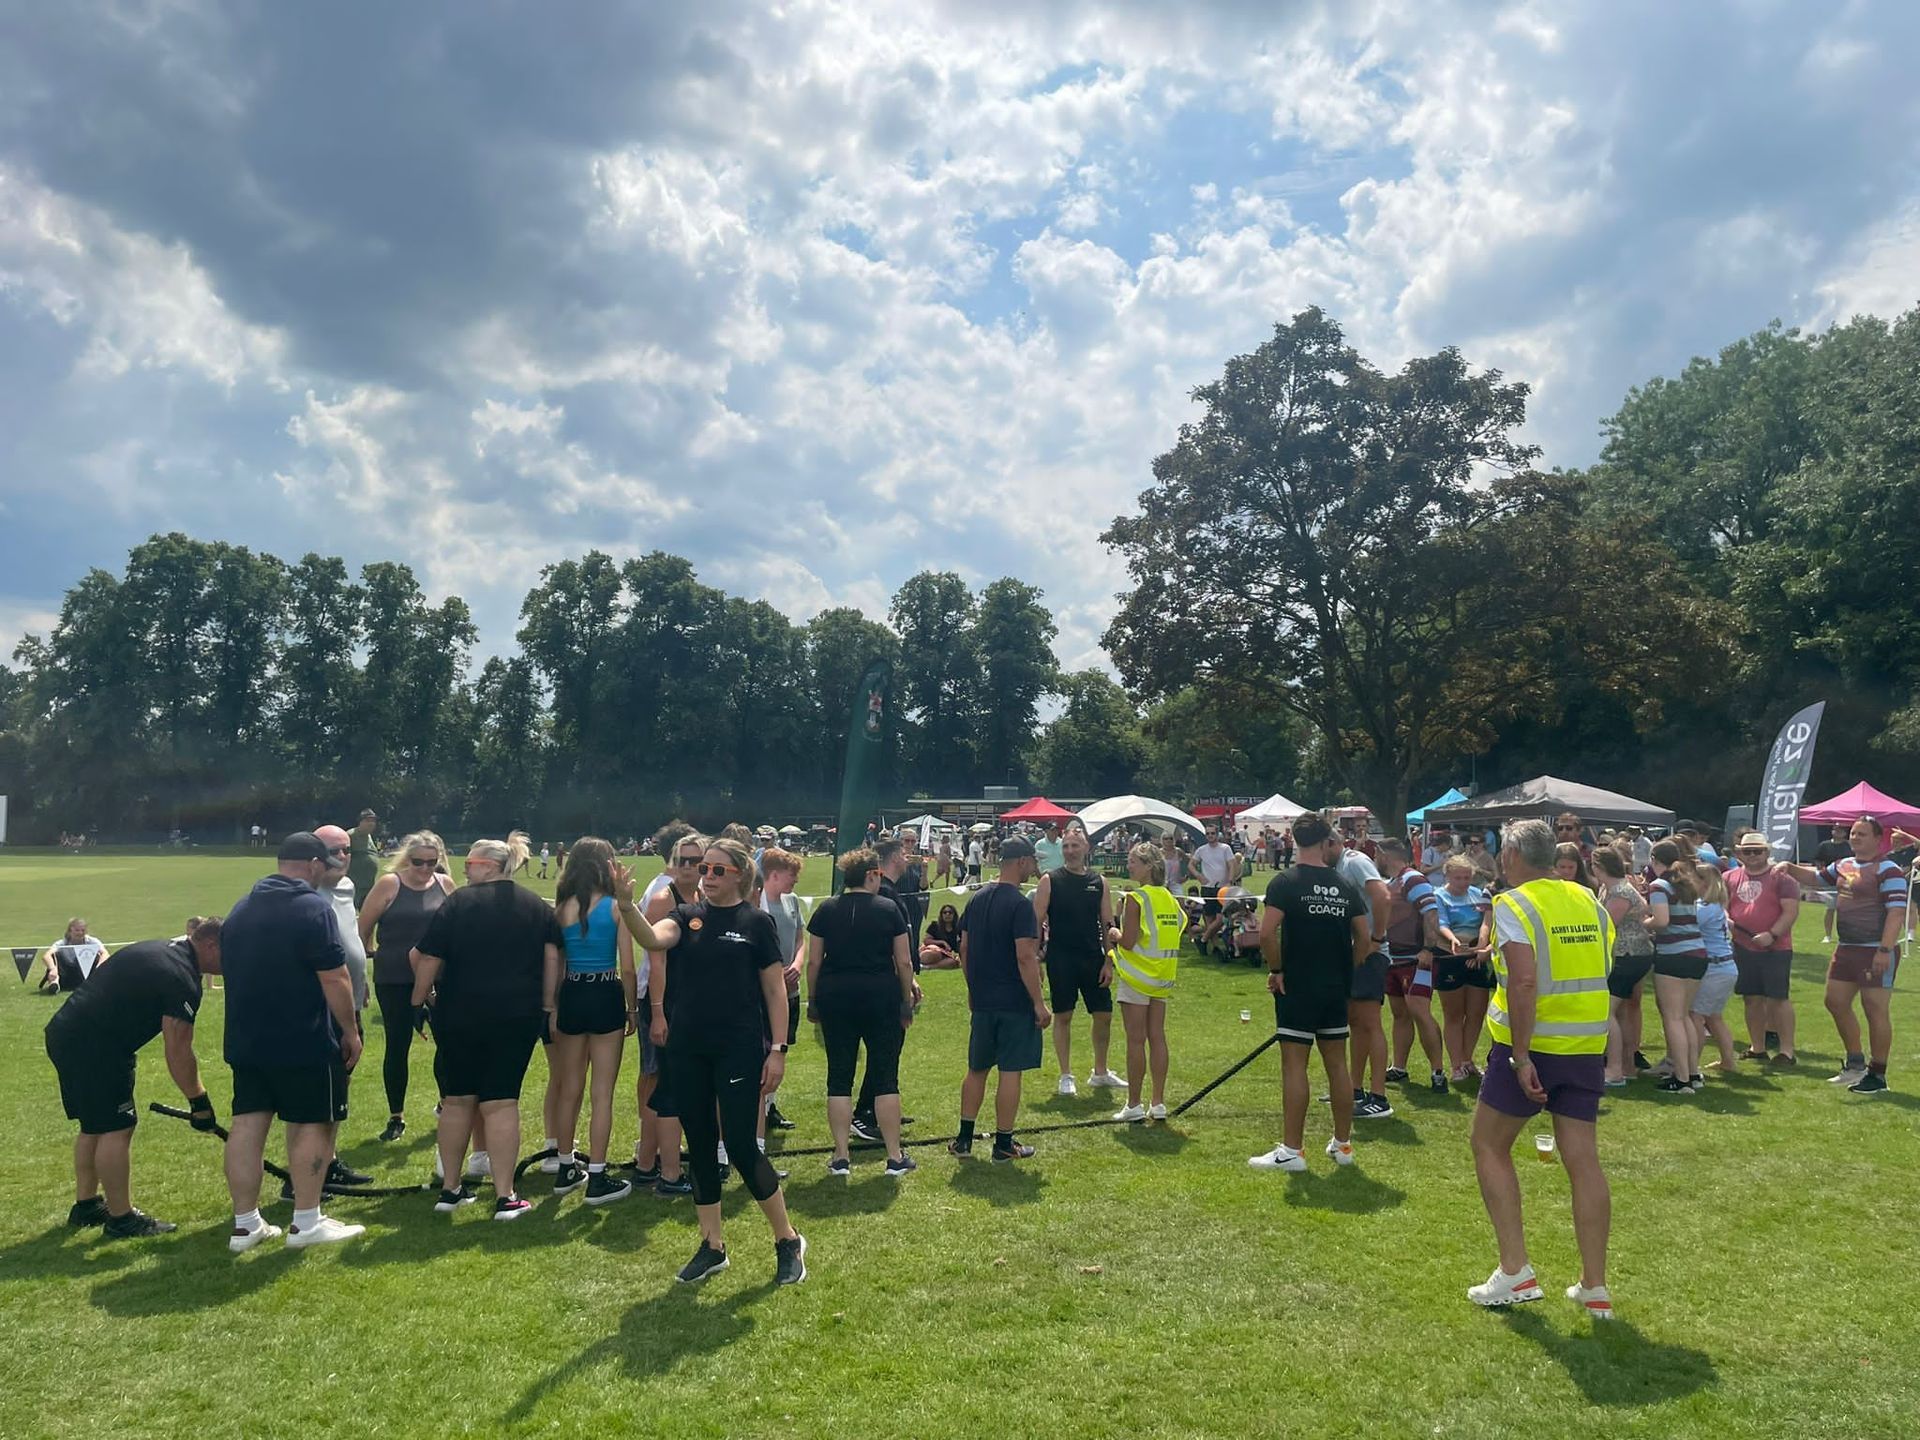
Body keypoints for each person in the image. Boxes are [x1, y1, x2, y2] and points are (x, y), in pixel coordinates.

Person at [630, 837, 808, 1286]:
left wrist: (778, 1050)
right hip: (689, 1050)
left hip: (739, 1049)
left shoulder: (756, 923)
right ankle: (712, 1246)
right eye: (702, 869)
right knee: (702, 1148)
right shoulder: (685, 917)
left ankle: (787, 1239)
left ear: (740, 876)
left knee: (744, 1150)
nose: (706, 877)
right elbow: (652, 937)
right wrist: (623, 903)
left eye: (716, 870)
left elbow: (774, 991)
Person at [1466, 819, 1615, 1318]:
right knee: (1583, 1160)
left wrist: (1523, 1055)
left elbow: (1524, 982)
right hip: (1586, 1044)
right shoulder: (1589, 901)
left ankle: (1515, 1270)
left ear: (1510, 856)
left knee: (1488, 1144)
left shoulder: (1513, 903)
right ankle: (1594, 1287)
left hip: (1532, 1046)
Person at [222, 833, 366, 1253]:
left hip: (248, 1038)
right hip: (303, 1037)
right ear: (314, 864)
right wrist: (350, 1031)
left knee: (247, 1124)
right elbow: (335, 977)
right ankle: (306, 1221)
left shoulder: (241, 909)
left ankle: (245, 1224)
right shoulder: (312, 907)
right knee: (312, 1123)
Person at [409, 832, 561, 1221]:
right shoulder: (535, 907)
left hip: (459, 1012)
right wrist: (547, 1005)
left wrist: (418, 1001)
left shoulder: (458, 902)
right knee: (501, 1102)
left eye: (471, 863)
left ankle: (451, 1189)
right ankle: (505, 1195)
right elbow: (551, 959)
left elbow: (427, 956)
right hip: (516, 1014)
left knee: (457, 1101)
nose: (464, 868)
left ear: (490, 866)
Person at [45, 917, 224, 1238]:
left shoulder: (164, 949)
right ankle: (121, 1218)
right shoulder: (182, 977)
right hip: (96, 1046)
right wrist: (200, 1101)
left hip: (66, 1032)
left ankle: (86, 1205)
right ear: (211, 945)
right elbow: (179, 1051)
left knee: (94, 1125)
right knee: (117, 1126)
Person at [1250, 814, 1368, 1171]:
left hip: (1298, 985)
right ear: (1325, 841)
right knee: (1338, 1066)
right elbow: (1364, 937)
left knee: (1295, 1065)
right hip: (1336, 987)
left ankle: (1291, 1151)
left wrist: (1276, 969)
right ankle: (1343, 1146)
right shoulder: (1345, 885)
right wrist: (1350, 970)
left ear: (1296, 840)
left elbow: (1267, 933)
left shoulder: (1285, 882)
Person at [806, 848, 917, 1177]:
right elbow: (904, 961)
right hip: (879, 996)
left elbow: (814, 961)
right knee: (886, 1078)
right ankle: (895, 1157)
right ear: (872, 874)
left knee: (838, 1078)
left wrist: (813, 1000)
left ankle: (841, 1157)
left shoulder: (826, 909)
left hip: (835, 996)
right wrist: (906, 1000)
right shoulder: (888, 908)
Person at [1781, 816, 1906, 1093]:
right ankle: (1855, 1064)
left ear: (1877, 838)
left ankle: (1878, 1074)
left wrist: (1884, 949)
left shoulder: (1889, 870)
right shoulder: (1844, 865)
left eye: (1862, 834)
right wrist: (1787, 867)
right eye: (1853, 833)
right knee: (1835, 1002)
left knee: (1875, 1010)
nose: (1855, 838)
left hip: (1875, 949)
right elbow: (1814, 879)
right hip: (1846, 947)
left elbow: (1897, 913)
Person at [546, 838, 636, 1206]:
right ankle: (597, 1175)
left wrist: (551, 1006)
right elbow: (628, 966)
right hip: (605, 991)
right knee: (602, 1092)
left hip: (571, 993)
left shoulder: (560, 908)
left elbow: (556, 963)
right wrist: (632, 1008)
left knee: (570, 1087)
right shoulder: (616, 908)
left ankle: (566, 1165)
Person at [950, 836, 1048, 1162]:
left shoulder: (976, 899)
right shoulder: (1021, 905)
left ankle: (963, 1140)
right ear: (1021, 861)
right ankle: (1004, 1144)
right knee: (1010, 1071)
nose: (1034, 867)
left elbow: (963, 949)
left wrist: (972, 988)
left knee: (976, 1069)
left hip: (983, 1000)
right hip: (1013, 1002)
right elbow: (1025, 956)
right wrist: (1038, 1002)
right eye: (1032, 861)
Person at [357, 831, 455, 1141]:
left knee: (448, 1043)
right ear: (407, 859)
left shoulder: (445, 885)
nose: (425, 868)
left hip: (439, 978)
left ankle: (446, 1104)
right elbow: (362, 929)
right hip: (395, 978)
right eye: (418, 862)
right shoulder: (390, 884)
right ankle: (396, 1116)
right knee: (397, 1045)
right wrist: (363, 968)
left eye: (431, 862)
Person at [629, 826, 701, 1193]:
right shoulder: (663, 898)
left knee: (675, 1082)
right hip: (661, 1001)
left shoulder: (705, 895)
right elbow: (655, 963)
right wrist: (657, 1012)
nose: (688, 866)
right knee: (658, 1082)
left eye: (695, 860)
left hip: (691, 1004)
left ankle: (657, 1158)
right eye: (681, 860)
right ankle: (648, 1161)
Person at [1033, 826, 1121, 1098]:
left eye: (1075, 846)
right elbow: (1035, 921)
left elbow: (1108, 923)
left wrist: (1110, 961)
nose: (1070, 851)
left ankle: (1101, 1072)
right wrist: (1036, 957)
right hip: (1061, 957)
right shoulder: (1050, 880)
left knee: (1103, 1015)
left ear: (1086, 849)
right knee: (1064, 1015)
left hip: (1093, 957)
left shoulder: (1099, 882)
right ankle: (1065, 1074)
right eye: (1067, 847)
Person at [312, 823, 374, 1188]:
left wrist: (359, 985)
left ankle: (328, 1162)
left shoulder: (348, 888)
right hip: (323, 1008)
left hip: (349, 1002)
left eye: (347, 849)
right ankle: (311, 1172)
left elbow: (350, 940)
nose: (342, 857)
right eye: (333, 850)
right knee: (322, 1094)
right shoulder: (308, 892)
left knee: (339, 1089)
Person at [1107, 841, 1183, 1121]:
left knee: (1135, 1041)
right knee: (1158, 1038)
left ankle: (1134, 1104)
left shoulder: (1136, 898)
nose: (1129, 866)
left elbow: (1127, 942)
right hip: (1162, 976)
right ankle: (1159, 1102)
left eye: (1133, 862)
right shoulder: (1169, 897)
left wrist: (1114, 930)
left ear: (1149, 866)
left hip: (1137, 977)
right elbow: (1179, 925)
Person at [1326, 822, 1394, 1120]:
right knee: (1355, 1022)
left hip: (1370, 954)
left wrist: (1376, 940)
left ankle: (1379, 1097)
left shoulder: (1355, 862)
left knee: (1369, 1023)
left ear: (1331, 843)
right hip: (1353, 953)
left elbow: (1382, 895)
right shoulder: (1338, 866)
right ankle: (1353, 1089)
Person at [1725, 831, 1800, 1066]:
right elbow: (1723, 905)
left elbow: (1790, 911)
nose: (1753, 855)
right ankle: (1757, 1047)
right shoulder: (1729, 877)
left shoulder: (1782, 878)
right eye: (1748, 851)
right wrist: (1726, 920)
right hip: (1742, 946)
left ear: (1767, 852)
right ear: (1739, 853)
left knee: (1779, 999)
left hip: (1776, 948)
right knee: (1751, 998)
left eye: (1758, 851)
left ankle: (1786, 1051)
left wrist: (1773, 934)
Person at [1378, 837, 1448, 1092]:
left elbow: (1431, 913)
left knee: (1419, 1010)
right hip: (1393, 958)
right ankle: (1399, 1066)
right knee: (1399, 1013)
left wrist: (1428, 948)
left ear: (1383, 854)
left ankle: (1438, 1071)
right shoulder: (1392, 883)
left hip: (1415, 958)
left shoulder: (1413, 879)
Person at [1645, 840, 1708, 1094]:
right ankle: (1693, 1074)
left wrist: (1644, 922)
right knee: (1686, 1017)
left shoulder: (1659, 885)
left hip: (1673, 955)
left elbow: (1661, 920)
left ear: (1654, 859)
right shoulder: (1687, 884)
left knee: (1673, 1019)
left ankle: (1680, 1079)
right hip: (1697, 953)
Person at [1593, 848, 1654, 1087]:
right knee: (1620, 1012)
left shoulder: (1620, 891)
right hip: (1626, 955)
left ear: (1599, 866)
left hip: (1628, 956)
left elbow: (1608, 925)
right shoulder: (1610, 888)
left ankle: (1615, 1070)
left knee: (1605, 1012)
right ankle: (1627, 1066)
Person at [1432, 856, 1494, 1081]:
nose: (1463, 882)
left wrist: (1481, 948)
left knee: (1476, 1013)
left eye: (1467, 877)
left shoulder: (1478, 895)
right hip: (1450, 957)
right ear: (1447, 876)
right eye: (1458, 878)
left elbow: (1488, 923)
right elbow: (1441, 924)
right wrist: (1452, 940)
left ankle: (1468, 1060)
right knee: (1454, 1015)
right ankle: (1456, 1064)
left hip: (1476, 957)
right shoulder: (1439, 895)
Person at [759, 847, 807, 1133]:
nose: (794, 882)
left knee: (781, 1048)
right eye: (791, 876)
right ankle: (759, 1108)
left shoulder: (792, 901)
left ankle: (770, 1106)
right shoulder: (757, 904)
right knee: (764, 1050)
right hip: (766, 993)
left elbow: (800, 938)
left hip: (790, 990)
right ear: (774, 874)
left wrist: (798, 964)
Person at [1690, 865, 1739, 1077]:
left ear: (1703, 883)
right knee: (1714, 1017)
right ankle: (1728, 1061)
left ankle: (1691, 1065)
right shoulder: (1716, 906)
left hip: (1714, 968)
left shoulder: (1704, 908)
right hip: (1725, 967)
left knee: (1695, 1016)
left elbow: (1685, 925)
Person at [1193, 825, 1240, 951]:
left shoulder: (1225, 848)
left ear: (1217, 834)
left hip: (1222, 889)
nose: (1210, 836)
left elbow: (1231, 865)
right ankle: (1215, 947)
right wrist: (1198, 875)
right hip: (1207, 888)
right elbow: (1191, 864)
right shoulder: (1201, 850)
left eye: (1212, 833)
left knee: (1221, 918)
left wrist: (1230, 882)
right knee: (1209, 918)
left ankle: (1203, 939)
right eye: (1208, 834)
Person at [1812, 823, 1852, 944]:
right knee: (1830, 908)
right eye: (1835, 829)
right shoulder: (1824, 845)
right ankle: (1828, 935)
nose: (1837, 831)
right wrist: (1822, 873)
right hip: (1830, 881)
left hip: (1847, 881)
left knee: (1845, 910)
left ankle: (1844, 935)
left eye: (1840, 830)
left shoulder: (1849, 846)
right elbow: (1818, 860)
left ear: (1845, 833)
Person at [346, 809, 381, 910]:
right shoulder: (351, 835)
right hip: (355, 886)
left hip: (368, 885)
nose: (371, 824)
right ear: (360, 821)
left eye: (373, 821)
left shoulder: (369, 836)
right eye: (368, 820)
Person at [921, 904, 964, 969]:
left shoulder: (958, 929)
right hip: (933, 950)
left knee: (954, 962)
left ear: (954, 915)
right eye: (945, 912)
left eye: (950, 912)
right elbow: (926, 941)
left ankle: (928, 967)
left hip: (947, 955)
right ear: (941, 915)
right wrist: (942, 942)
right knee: (933, 954)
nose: (947, 914)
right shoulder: (934, 926)